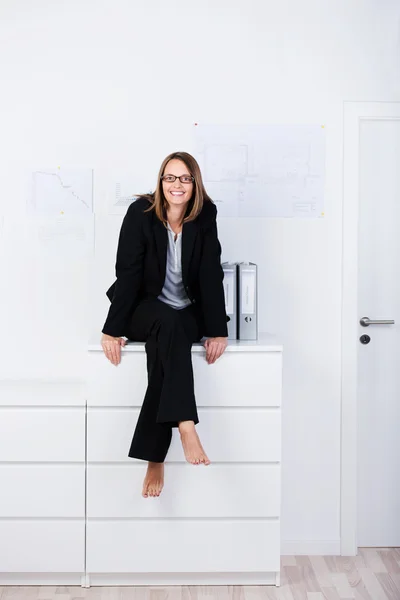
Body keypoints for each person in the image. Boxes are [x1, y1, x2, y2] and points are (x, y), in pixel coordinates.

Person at [100, 151, 228, 498]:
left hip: (186, 312)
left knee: (166, 346)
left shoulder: (205, 214)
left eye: (185, 178)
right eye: (170, 178)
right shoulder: (140, 213)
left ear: (194, 183)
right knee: (165, 323)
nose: (177, 185)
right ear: (160, 182)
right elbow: (126, 272)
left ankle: (155, 458)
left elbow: (210, 272)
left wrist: (217, 329)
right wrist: (112, 328)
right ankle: (186, 425)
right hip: (145, 308)